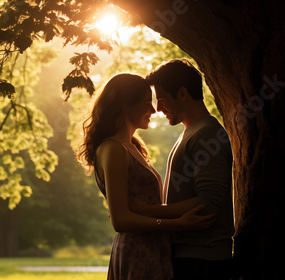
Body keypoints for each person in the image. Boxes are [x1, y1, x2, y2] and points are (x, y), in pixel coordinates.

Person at [76, 73, 215, 280]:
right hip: (137, 252)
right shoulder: (113, 149)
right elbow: (120, 220)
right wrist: (177, 224)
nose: (153, 110)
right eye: (146, 103)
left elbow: (140, 207)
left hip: (153, 249)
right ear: (125, 104)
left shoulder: (132, 147)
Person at [145, 59, 234, 280]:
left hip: (202, 261)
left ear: (183, 93)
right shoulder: (192, 132)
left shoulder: (207, 134)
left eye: (162, 100)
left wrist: (148, 212)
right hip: (191, 258)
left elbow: (209, 203)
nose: (157, 109)